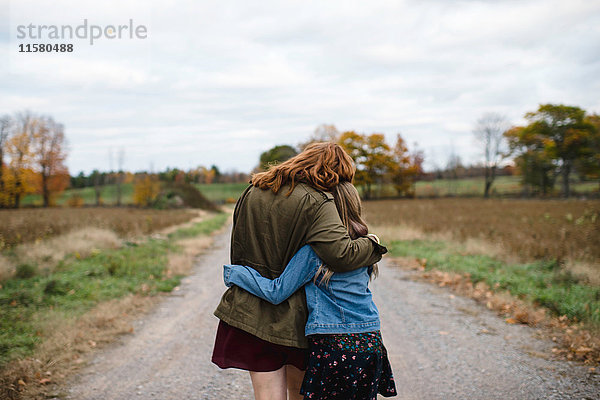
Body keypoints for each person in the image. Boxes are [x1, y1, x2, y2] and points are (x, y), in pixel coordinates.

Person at [212, 142, 387, 400]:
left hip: (248, 310)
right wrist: (372, 246)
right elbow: (340, 253)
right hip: (295, 321)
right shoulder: (318, 200)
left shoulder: (253, 190)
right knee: (298, 395)